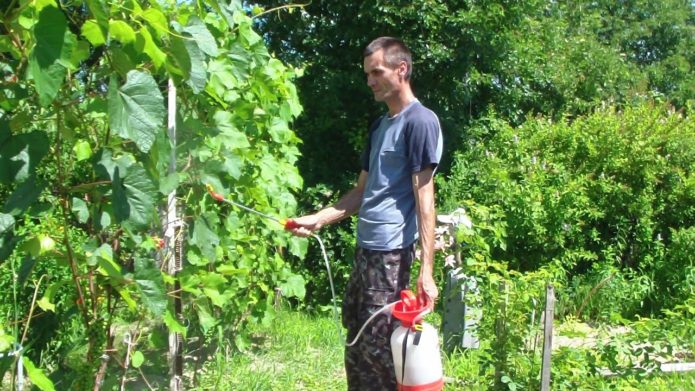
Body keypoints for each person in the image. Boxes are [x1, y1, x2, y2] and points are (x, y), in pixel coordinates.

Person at [288, 36, 443, 391]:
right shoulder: (379, 127)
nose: (370, 81)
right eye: (367, 74)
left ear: (401, 70)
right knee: (356, 339)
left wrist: (427, 271)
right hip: (365, 249)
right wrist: (318, 219)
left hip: (391, 254)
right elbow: (361, 192)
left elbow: (425, 200)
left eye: (377, 72)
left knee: (380, 347)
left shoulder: (420, 122)